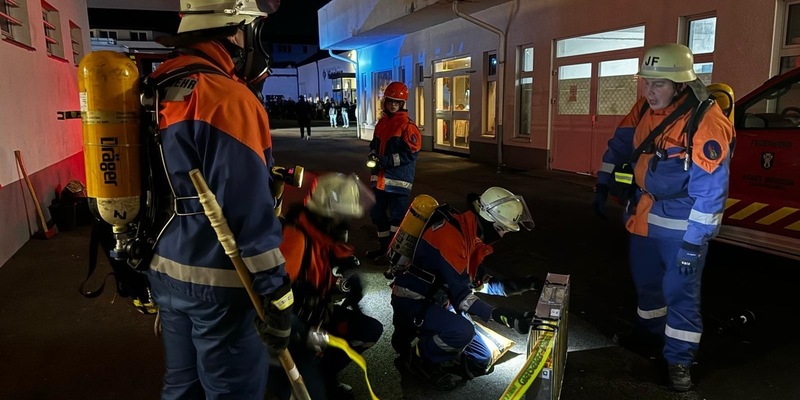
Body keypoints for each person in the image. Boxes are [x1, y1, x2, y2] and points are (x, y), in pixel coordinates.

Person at [146, 1, 293, 399]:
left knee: (181, 385)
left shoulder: (156, 86)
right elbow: (248, 211)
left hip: (163, 269)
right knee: (231, 391)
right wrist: (276, 291)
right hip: (221, 279)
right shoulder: (227, 98)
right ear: (234, 30)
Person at [592, 43, 735, 392]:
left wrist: (692, 243)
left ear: (680, 84)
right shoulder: (643, 108)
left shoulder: (706, 120)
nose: (649, 90)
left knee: (680, 293)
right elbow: (621, 145)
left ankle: (679, 360)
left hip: (681, 224)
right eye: (646, 81)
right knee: (648, 286)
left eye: (659, 83)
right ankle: (651, 338)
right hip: (643, 213)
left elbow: (711, 190)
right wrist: (602, 182)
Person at [390, 187, 536, 391]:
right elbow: (464, 298)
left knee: (481, 359)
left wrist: (524, 285)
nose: (502, 235)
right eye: (502, 229)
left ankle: (423, 337)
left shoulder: (470, 235)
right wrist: (506, 317)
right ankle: (419, 360)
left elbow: (476, 283)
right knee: (461, 332)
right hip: (414, 301)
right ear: (488, 220)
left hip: (438, 300)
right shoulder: (451, 237)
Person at [268, 173, 384, 400]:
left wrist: (351, 275)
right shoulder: (296, 237)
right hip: (290, 328)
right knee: (310, 394)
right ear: (325, 212)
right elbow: (272, 297)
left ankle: (324, 375)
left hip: (317, 316)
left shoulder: (322, 231)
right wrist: (300, 330)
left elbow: (340, 254)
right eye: (341, 216)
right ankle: (295, 383)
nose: (344, 222)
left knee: (369, 330)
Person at [365, 82, 422, 264]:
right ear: (386, 102)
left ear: (402, 104)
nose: (393, 105)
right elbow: (374, 144)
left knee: (397, 219)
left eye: (397, 102)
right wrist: (373, 153)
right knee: (377, 214)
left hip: (399, 181)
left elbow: (410, 154)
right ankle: (384, 249)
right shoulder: (382, 123)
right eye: (390, 102)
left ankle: (393, 255)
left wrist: (387, 161)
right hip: (380, 180)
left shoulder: (408, 127)